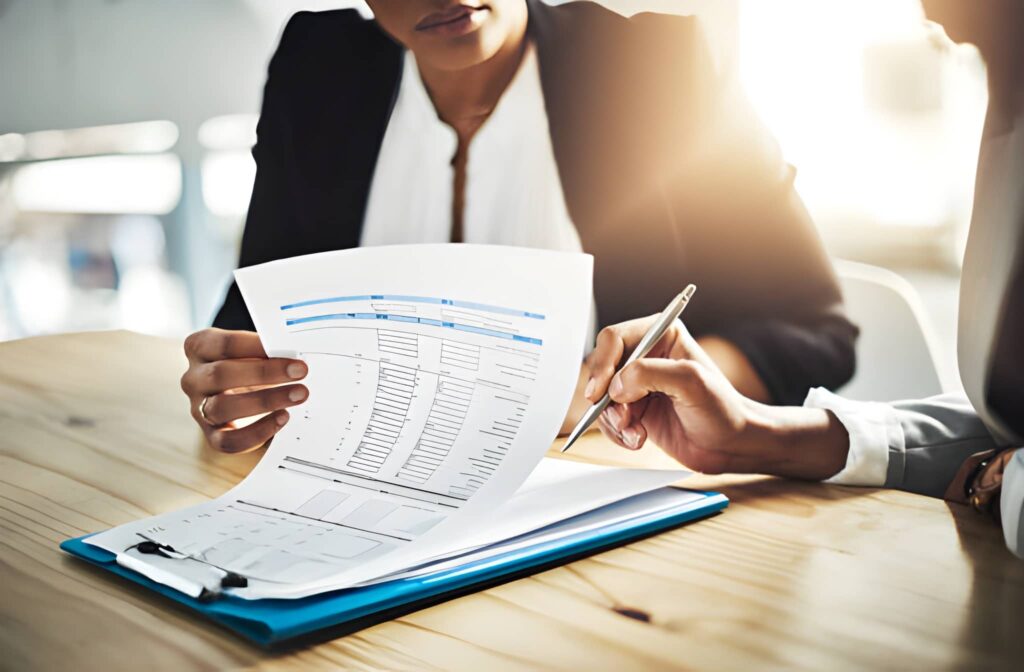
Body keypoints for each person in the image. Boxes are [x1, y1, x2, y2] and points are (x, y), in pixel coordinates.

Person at [180, 0, 858, 454]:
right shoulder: (316, 67)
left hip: (592, 492)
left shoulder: (656, 67)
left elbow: (811, 332)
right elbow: (252, 313)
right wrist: (234, 382)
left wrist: (620, 393)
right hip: (369, 497)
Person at [583, 0, 1024, 558]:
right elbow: (1008, 428)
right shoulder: (1008, 84)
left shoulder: (656, 64)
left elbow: (818, 330)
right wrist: (755, 435)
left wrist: (1005, 481)